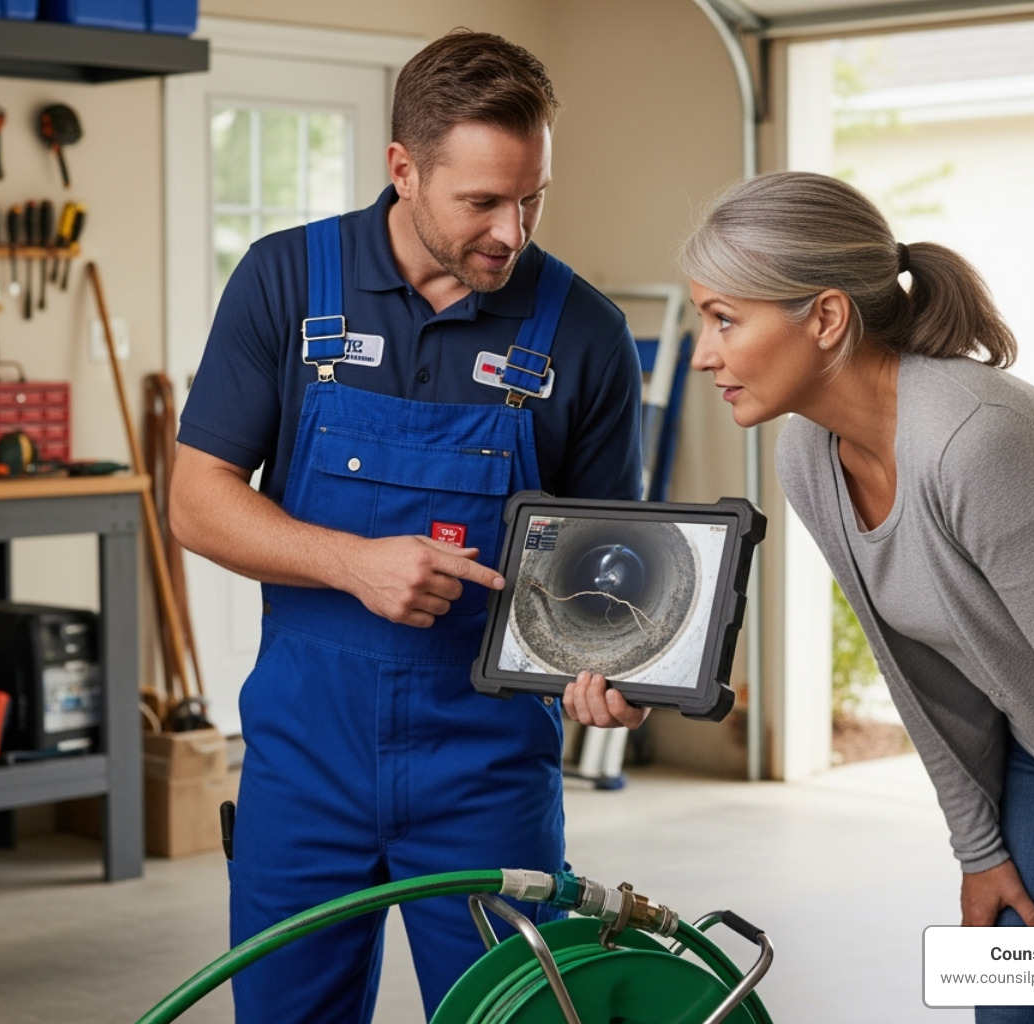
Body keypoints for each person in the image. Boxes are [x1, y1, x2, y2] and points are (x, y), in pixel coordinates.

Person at [168, 29, 646, 1024]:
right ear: (403, 170)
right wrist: (353, 565)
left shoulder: (585, 333)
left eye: (532, 198)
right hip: (304, 763)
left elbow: (613, 578)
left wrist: (621, 674)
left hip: (489, 775)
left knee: (509, 1016)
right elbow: (196, 498)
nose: (511, 231)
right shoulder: (285, 283)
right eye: (481, 202)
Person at [670, 170, 1034, 1024]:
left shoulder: (977, 438)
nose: (703, 354)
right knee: (1013, 1002)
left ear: (825, 318)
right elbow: (916, 670)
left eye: (724, 320)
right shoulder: (808, 457)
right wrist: (980, 847)